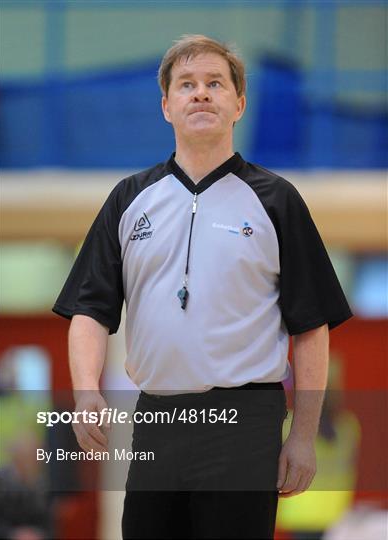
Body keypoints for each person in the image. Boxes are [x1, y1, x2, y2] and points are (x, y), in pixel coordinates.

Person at [52, 34, 353, 539]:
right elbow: (90, 310)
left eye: (215, 83)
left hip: (245, 418)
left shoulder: (277, 201)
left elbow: (311, 327)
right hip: (157, 413)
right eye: (186, 84)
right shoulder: (129, 198)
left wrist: (302, 436)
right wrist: (86, 393)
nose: (201, 93)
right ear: (166, 105)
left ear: (239, 103)